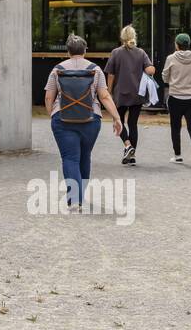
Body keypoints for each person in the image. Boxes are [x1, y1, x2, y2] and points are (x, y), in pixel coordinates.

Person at [43, 34, 123, 210]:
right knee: (85, 156)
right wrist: (116, 118)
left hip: (62, 119)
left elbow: (49, 96)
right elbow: (104, 96)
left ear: (68, 51)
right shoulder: (96, 70)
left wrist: (52, 115)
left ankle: (75, 199)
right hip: (91, 120)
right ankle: (80, 195)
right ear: (85, 50)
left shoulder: (57, 70)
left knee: (70, 158)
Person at [105, 25, 156, 166]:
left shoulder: (116, 53)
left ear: (122, 38)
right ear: (134, 37)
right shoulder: (141, 53)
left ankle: (128, 146)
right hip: (137, 94)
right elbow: (150, 69)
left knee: (118, 121)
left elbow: (111, 74)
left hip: (120, 94)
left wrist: (109, 92)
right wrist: (149, 69)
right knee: (133, 123)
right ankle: (132, 156)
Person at [161, 33, 191, 167]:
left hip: (176, 97)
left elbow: (165, 77)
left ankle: (178, 156)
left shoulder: (171, 58)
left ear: (177, 45)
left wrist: (174, 80)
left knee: (175, 127)